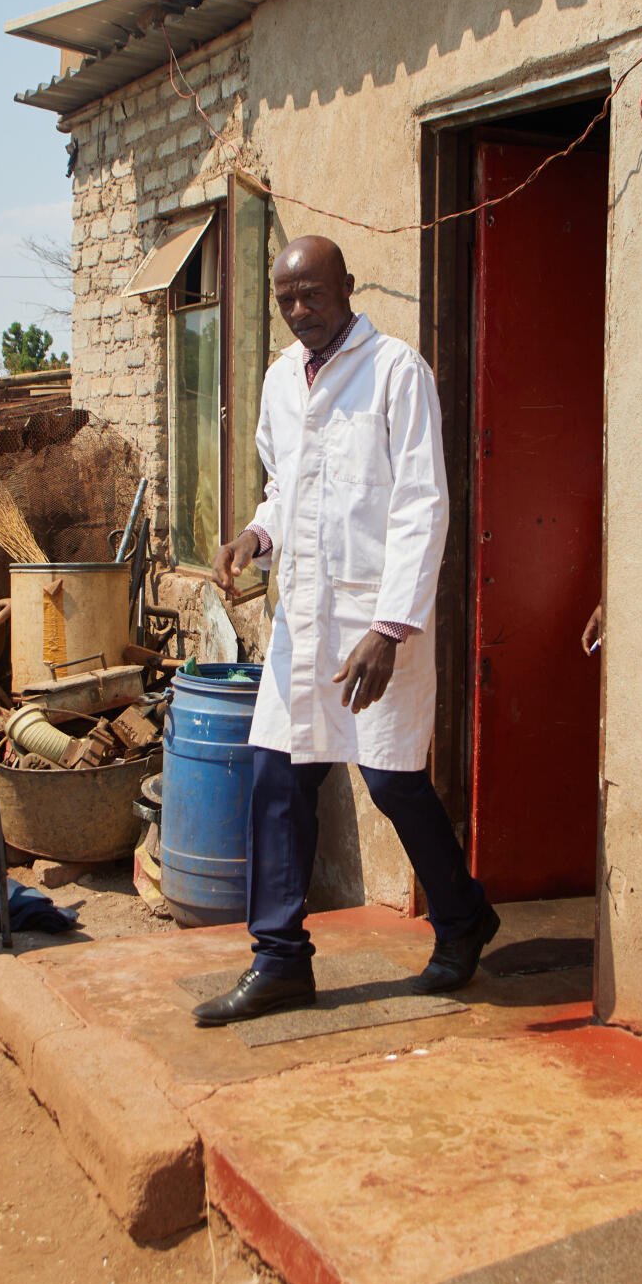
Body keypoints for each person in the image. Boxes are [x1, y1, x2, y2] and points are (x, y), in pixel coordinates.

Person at [191, 235, 499, 1026]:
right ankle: (280, 959)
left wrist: (391, 628)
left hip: (375, 618)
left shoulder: (397, 371)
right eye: (286, 299)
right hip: (304, 617)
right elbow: (283, 490)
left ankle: (463, 915)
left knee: (393, 779)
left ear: (348, 287)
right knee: (276, 776)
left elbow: (423, 503)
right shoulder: (279, 383)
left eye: (313, 296)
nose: (300, 312)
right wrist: (255, 538)